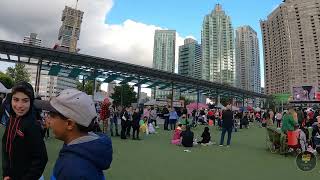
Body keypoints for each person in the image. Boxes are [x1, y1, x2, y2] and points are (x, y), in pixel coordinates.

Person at [38, 89, 113, 179]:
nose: (48, 120)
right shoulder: (82, 150)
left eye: (52, 115)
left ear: (69, 124)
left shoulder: (73, 170)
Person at [2, 82, 48, 180]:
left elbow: (41, 159)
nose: (19, 105)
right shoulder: (11, 119)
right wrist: (6, 172)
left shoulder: (32, 125)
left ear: (31, 102)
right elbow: (5, 146)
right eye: (16, 100)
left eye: (25, 101)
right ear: (11, 100)